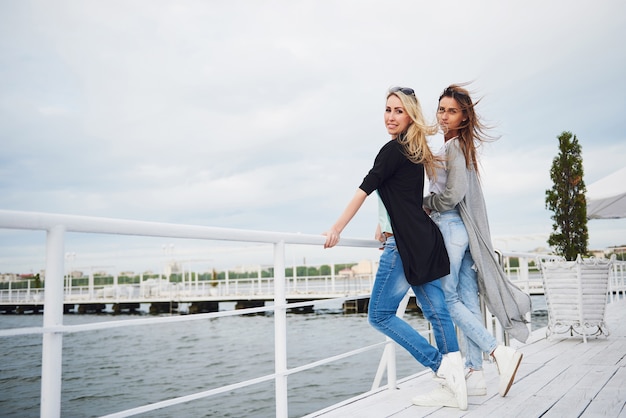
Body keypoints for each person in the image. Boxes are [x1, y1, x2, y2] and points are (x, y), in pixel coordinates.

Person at [323, 86, 468, 410]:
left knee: (380, 314)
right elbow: (401, 197)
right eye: (388, 109)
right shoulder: (414, 150)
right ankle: (456, 383)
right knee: (437, 310)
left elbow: (363, 190)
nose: (391, 116)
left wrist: (336, 228)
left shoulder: (392, 151)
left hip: (403, 245)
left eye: (398, 110)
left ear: (410, 114)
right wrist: (382, 223)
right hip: (424, 240)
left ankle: (440, 367)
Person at [420, 84, 531, 400]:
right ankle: (476, 372)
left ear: (464, 117)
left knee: (447, 297)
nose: (444, 116)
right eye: (441, 109)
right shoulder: (459, 146)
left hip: (451, 228)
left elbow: (453, 196)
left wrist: (426, 204)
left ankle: (497, 351)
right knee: (467, 300)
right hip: (463, 233)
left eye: (451, 111)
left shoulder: (454, 147)